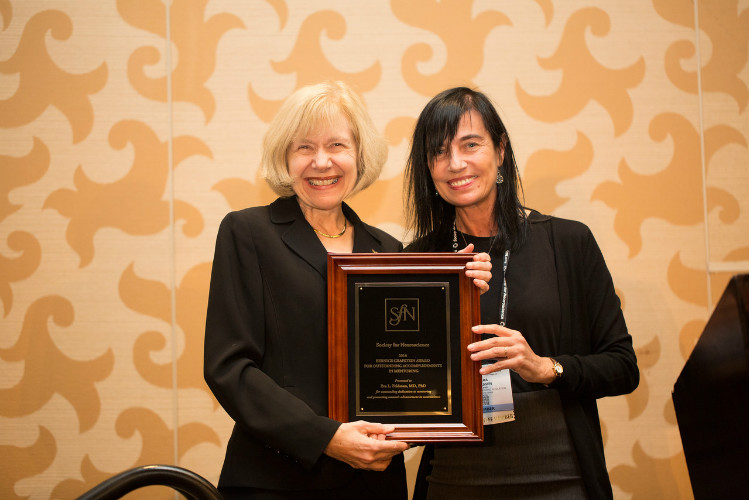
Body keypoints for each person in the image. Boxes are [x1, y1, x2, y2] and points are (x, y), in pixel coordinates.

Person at [203, 81, 491, 500]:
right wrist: (326, 438)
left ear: (359, 155)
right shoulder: (248, 233)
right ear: (285, 157)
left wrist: (456, 300)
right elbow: (229, 368)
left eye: (337, 145)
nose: (321, 162)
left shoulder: (387, 250)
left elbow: (408, 369)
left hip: (373, 482)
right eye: (304, 147)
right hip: (275, 481)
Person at [404, 87, 639, 500]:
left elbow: (622, 367)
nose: (455, 163)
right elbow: (402, 377)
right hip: (454, 474)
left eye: (470, 145)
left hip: (558, 470)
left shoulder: (568, 242)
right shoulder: (419, 259)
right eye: (439, 152)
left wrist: (545, 367)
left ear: (500, 150)